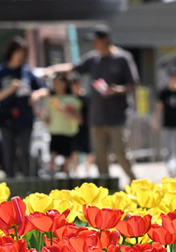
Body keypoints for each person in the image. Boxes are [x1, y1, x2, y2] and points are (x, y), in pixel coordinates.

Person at [47, 25, 139, 181]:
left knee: (120, 153)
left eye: (96, 41)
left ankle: (136, 184)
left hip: (117, 118)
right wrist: (52, 69)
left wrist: (117, 90)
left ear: (106, 40)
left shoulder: (123, 58)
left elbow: (134, 84)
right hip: (97, 118)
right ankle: (105, 188)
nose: (94, 44)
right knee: (100, 157)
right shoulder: (93, 59)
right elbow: (73, 67)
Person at [0, 37, 48, 178]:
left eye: (23, 53)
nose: (20, 56)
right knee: (8, 152)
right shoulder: (0, 71)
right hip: (6, 116)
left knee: (26, 150)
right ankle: (10, 182)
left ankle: (28, 180)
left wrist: (36, 95)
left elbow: (44, 89)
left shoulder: (27, 71)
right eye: (18, 52)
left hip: (25, 116)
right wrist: (10, 89)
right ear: (11, 52)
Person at [44, 74, 82, 175]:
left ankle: (67, 183)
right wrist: (41, 116)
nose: (56, 85)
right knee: (52, 157)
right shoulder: (50, 100)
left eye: (59, 82)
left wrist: (64, 110)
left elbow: (78, 120)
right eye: (54, 83)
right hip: (54, 132)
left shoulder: (73, 100)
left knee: (67, 161)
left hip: (68, 133)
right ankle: (51, 181)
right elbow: (47, 120)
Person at [152, 66, 176, 177]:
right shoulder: (164, 92)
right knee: (169, 148)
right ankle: (171, 170)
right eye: (171, 77)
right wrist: (155, 120)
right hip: (168, 123)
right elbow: (159, 107)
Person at [69, 74, 93, 176]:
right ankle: (75, 171)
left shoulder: (87, 98)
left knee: (89, 150)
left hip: (87, 127)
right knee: (74, 150)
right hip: (73, 127)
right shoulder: (70, 99)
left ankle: (88, 171)